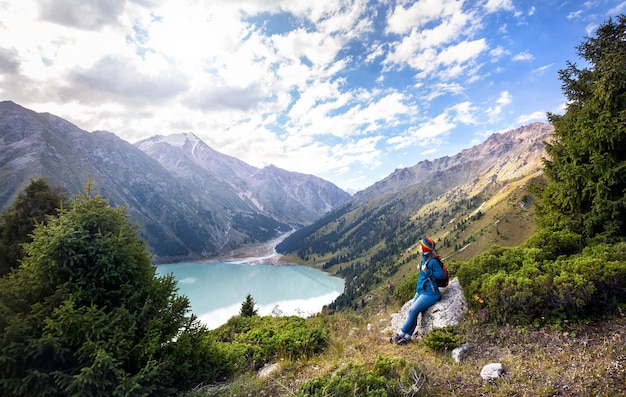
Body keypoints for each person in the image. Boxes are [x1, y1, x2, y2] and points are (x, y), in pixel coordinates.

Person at [390, 237, 444, 345]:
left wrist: (427, 271)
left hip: (430, 293)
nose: (419, 247)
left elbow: (441, 275)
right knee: (413, 311)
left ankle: (400, 333)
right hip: (421, 291)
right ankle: (407, 337)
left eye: (421, 246)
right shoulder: (425, 258)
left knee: (412, 311)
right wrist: (421, 268)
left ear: (425, 248)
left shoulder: (433, 261)